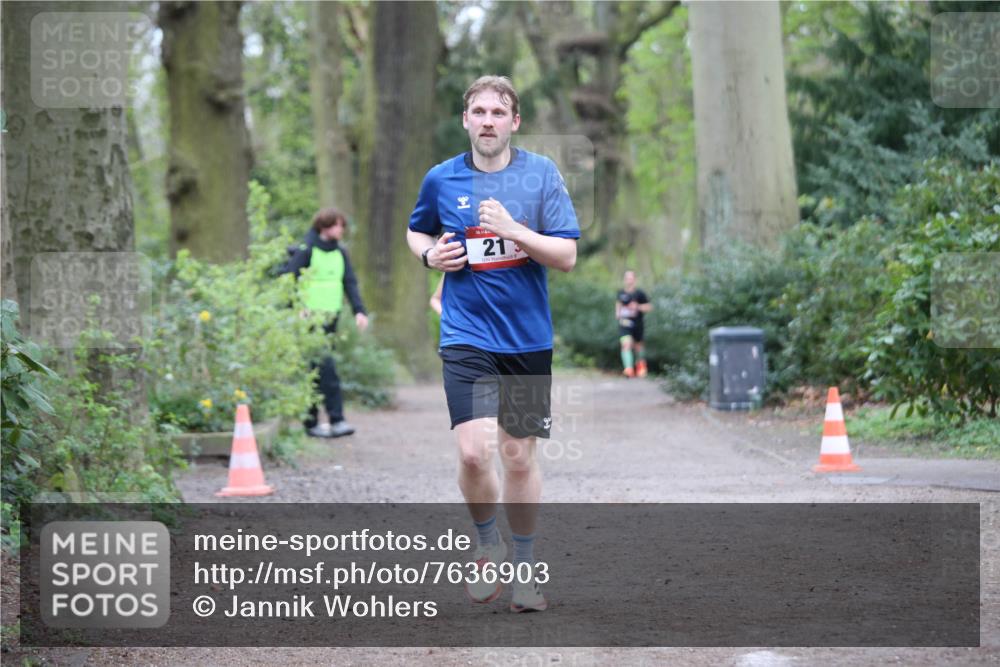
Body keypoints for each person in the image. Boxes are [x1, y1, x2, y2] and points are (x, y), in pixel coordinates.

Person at [406, 75, 579, 613]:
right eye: (478, 111)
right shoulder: (442, 178)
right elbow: (417, 231)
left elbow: (566, 255)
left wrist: (516, 229)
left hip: (526, 340)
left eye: (498, 113)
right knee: (473, 451)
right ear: (466, 121)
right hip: (465, 334)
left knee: (518, 460)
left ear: (514, 122)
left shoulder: (541, 175)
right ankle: (487, 543)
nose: (487, 121)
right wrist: (428, 256)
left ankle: (526, 572)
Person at [281, 208, 369, 438]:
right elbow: (289, 279)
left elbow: (350, 283)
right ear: (324, 226)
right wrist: (297, 308)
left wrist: (359, 311)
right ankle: (328, 420)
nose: (341, 229)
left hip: (331, 318)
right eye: (337, 225)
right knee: (321, 367)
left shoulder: (341, 253)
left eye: (342, 225)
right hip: (309, 320)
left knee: (318, 367)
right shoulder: (306, 250)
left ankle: (318, 423)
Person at [616, 270, 652, 378]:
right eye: (627, 278)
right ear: (624, 280)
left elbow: (649, 307)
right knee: (625, 344)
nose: (629, 280)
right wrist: (618, 313)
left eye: (631, 278)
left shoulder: (640, 293)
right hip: (625, 323)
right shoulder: (620, 293)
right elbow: (618, 305)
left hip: (637, 324)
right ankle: (628, 369)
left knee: (638, 347)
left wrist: (638, 307)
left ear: (635, 280)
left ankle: (641, 367)